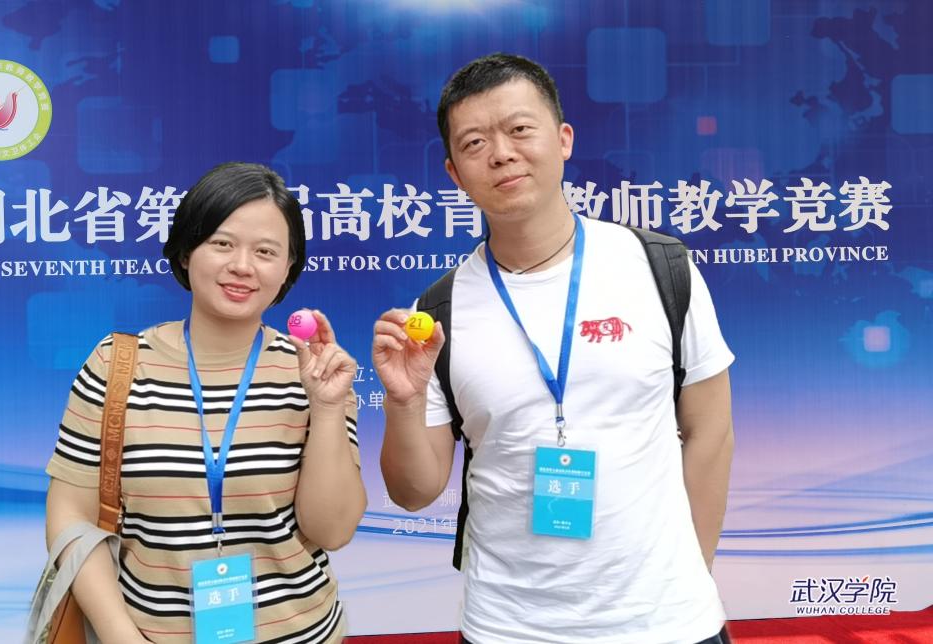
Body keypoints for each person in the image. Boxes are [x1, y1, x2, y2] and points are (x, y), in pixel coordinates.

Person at [373, 54, 735, 643]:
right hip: (509, 627)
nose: (501, 153)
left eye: (520, 129)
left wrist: (691, 578)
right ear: (454, 173)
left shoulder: (659, 267)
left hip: (669, 622)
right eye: (475, 142)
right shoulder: (437, 314)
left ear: (563, 139)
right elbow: (414, 493)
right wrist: (403, 402)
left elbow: (710, 432)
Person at [45, 162, 365, 643]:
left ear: (287, 268)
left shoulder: (315, 373)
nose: (243, 266)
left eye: (265, 251)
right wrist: (121, 637)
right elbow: (69, 516)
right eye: (222, 243)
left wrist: (325, 407)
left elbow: (332, 530)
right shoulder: (116, 365)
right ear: (186, 249)